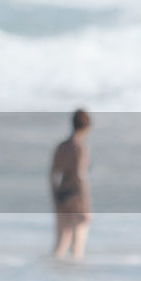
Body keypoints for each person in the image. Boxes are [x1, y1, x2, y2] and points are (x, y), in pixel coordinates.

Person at [50, 109, 92, 260]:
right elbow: (81, 175)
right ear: (87, 127)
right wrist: (86, 204)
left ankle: (55, 278)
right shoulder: (80, 148)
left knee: (60, 245)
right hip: (76, 196)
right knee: (78, 246)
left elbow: (53, 174)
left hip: (62, 194)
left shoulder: (61, 147)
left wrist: (55, 196)